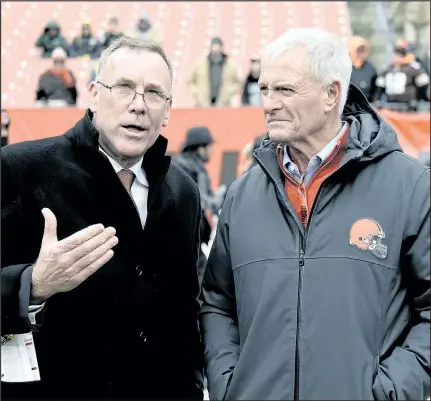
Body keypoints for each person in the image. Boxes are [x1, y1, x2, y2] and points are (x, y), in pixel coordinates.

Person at [200, 28, 430, 400]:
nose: (269, 104)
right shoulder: (242, 194)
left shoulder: (411, 185)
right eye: (264, 89)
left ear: (332, 94)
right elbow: (217, 303)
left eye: (285, 90)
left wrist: (390, 391)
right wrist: (230, 384)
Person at [2, 36, 203, 400]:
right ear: (93, 94)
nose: (139, 106)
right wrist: (32, 285)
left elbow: (184, 313)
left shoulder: (183, 191)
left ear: (169, 109)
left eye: (154, 93)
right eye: (124, 87)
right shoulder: (18, 171)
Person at [376, 39, 430, 111]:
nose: (398, 55)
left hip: (408, 107)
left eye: (401, 52)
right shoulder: (388, 69)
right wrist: (377, 101)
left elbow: (424, 86)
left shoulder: (414, 68)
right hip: (390, 106)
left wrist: (417, 100)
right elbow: (379, 87)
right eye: (397, 52)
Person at [188, 37, 241, 107]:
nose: (215, 49)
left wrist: (229, 92)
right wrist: (197, 94)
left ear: (222, 48)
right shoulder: (200, 63)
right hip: (203, 104)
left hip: (223, 104)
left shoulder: (230, 64)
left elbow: (237, 82)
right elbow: (191, 81)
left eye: (218, 47)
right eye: (214, 46)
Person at [348, 36, 378, 103]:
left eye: (363, 49)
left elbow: (375, 91)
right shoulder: (344, 68)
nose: (361, 52)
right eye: (359, 49)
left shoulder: (370, 69)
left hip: (366, 107)